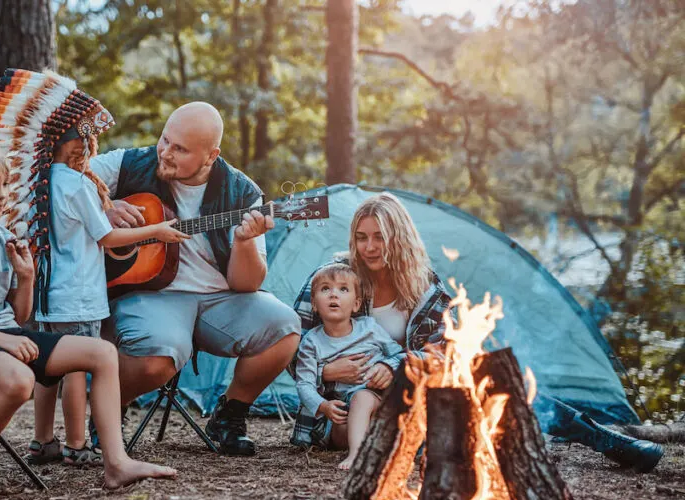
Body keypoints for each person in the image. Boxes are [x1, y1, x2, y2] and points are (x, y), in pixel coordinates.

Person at [293, 192, 663, 473]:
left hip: (410, 391)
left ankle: (605, 440)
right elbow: (293, 351)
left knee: (498, 377)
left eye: (379, 237)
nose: (369, 247)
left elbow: (445, 351)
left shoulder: (426, 287)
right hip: (345, 411)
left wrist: (397, 365)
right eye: (361, 237)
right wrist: (326, 372)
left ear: (399, 237)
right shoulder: (334, 279)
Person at [0, 138, 176, 500]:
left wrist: (27, 278)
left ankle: (117, 464)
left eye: (5, 185)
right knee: (20, 379)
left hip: (6, 336)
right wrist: (4, 340)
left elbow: (19, 315)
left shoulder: (4, 238)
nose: (1, 195)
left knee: (101, 353)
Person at [90, 102, 302, 456]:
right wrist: (104, 205)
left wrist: (244, 241)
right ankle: (108, 410)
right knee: (159, 354)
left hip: (219, 299)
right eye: (165, 140)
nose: (166, 153)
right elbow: (66, 179)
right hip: (150, 296)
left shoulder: (242, 193)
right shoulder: (130, 164)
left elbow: (246, 285)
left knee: (284, 327)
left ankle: (229, 414)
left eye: (180, 149)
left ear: (210, 155)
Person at [27, 125, 188, 466]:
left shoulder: (38, 183)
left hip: (48, 294)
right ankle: (75, 444)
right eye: (89, 139)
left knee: (47, 368)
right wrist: (158, 231)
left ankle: (43, 440)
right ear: (77, 145)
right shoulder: (78, 184)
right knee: (75, 368)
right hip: (79, 295)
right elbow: (107, 236)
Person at [291, 263, 404, 470]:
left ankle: (357, 455)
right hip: (342, 416)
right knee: (346, 422)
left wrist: (385, 366)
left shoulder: (369, 328)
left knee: (363, 398)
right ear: (314, 304)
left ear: (356, 304)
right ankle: (372, 445)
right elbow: (304, 385)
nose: (334, 295)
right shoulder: (311, 343)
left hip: (377, 398)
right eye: (326, 289)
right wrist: (324, 406)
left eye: (343, 289)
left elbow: (398, 355)